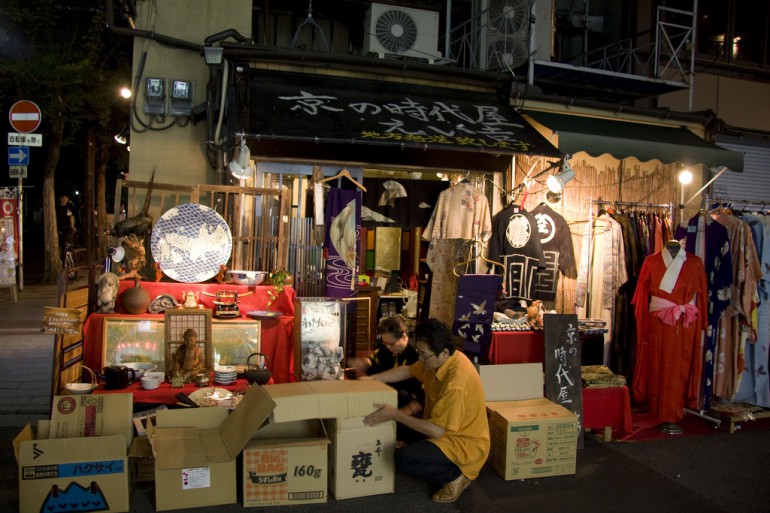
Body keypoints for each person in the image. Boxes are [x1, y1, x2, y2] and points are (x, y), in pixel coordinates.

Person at [363, 318, 489, 503]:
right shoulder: (439, 360)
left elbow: (436, 431)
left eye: (424, 355)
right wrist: (373, 379)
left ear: (444, 352)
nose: (421, 360)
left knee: (405, 458)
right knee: (400, 410)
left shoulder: (456, 383)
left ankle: (456, 476)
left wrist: (395, 413)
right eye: (419, 353)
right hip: (439, 426)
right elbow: (407, 371)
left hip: (462, 444)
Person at [355, 316, 424, 442]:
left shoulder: (417, 356)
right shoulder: (386, 349)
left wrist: (394, 415)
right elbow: (372, 361)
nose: (388, 347)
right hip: (386, 398)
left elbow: (420, 402)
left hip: (408, 408)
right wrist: (364, 363)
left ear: (403, 336)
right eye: (384, 343)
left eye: (391, 343)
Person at [55, 194, 76, 261]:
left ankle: (67, 257)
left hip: (67, 226)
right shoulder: (56, 206)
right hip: (58, 226)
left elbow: (71, 216)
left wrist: (72, 226)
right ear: (60, 198)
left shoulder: (69, 206)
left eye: (66, 198)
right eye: (63, 198)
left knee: (67, 242)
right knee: (59, 242)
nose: (64, 199)